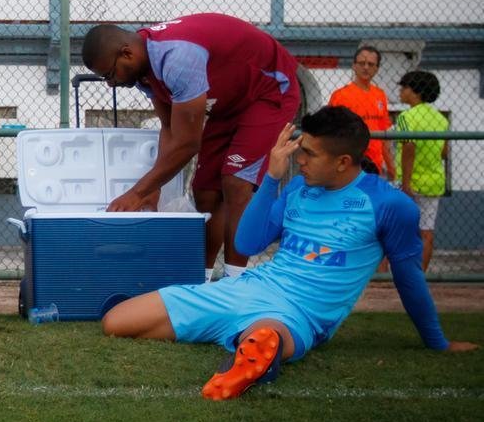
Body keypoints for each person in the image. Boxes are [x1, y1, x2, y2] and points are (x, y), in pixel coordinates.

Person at [100, 106, 476, 400]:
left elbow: (408, 276)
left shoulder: (390, 205)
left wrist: (437, 341)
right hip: (248, 287)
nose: (301, 160)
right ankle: (243, 343)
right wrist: (271, 178)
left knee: (268, 332)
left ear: (343, 162)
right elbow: (247, 245)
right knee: (117, 321)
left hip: (299, 313)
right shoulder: (296, 189)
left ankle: (254, 354)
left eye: (309, 154)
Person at [80, 14, 300, 280]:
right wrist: (154, 188)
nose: (110, 83)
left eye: (110, 74)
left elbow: (188, 144)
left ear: (126, 53)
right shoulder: (142, 69)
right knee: (205, 190)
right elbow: (170, 129)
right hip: (229, 102)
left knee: (235, 182)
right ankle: (202, 279)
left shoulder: (177, 57)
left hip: (269, 91)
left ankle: (235, 282)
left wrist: (138, 192)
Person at [396, 70, 449, 272]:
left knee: (401, 228)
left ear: (415, 91)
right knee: (426, 231)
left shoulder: (405, 117)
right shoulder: (441, 119)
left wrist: (406, 183)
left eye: (404, 87)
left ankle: (401, 272)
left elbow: (408, 149)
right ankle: (420, 274)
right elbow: (444, 151)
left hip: (411, 182)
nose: (401, 91)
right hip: (433, 181)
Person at [328, 45, 395, 181]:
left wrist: (391, 166)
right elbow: (331, 133)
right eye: (362, 63)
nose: (366, 67)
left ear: (376, 69)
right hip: (350, 164)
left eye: (370, 64)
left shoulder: (380, 95)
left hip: (375, 165)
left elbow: (384, 135)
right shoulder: (341, 96)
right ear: (354, 65)